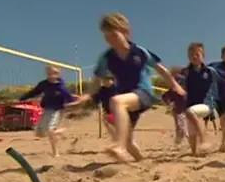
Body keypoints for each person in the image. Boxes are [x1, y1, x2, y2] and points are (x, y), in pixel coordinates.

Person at [73, 13, 183, 162]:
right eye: (106, 37)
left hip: (144, 93)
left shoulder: (140, 52)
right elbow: (96, 81)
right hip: (127, 99)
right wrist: (86, 96)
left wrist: (176, 86)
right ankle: (141, 162)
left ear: (126, 32)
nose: (110, 40)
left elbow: (161, 70)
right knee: (128, 140)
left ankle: (118, 146)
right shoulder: (106, 58)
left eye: (113, 35)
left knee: (117, 101)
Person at [171, 42, 225, 155]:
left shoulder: (210, 71)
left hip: (207, 105)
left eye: (197, 54)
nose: (194, 56)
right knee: (192, 135)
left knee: (190, 112)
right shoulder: (186, 72)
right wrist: (174, 80)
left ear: (203, 56)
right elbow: (173, 74)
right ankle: (196, 153)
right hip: (191, 105)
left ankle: (204, 138)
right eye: (191, 54)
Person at [18, 65, 76, 157]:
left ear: (58, 75)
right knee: (39, 133)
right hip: (47, 110)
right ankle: (60, 131)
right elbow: (34, 92)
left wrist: (74, 104)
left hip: (57, 110)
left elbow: (70, 99)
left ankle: (56, 153)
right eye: (49, 73)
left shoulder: (61, 87)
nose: (51, 75)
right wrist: (23, 98)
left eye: (54, 73)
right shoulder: (44, 84)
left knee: (50, 130)